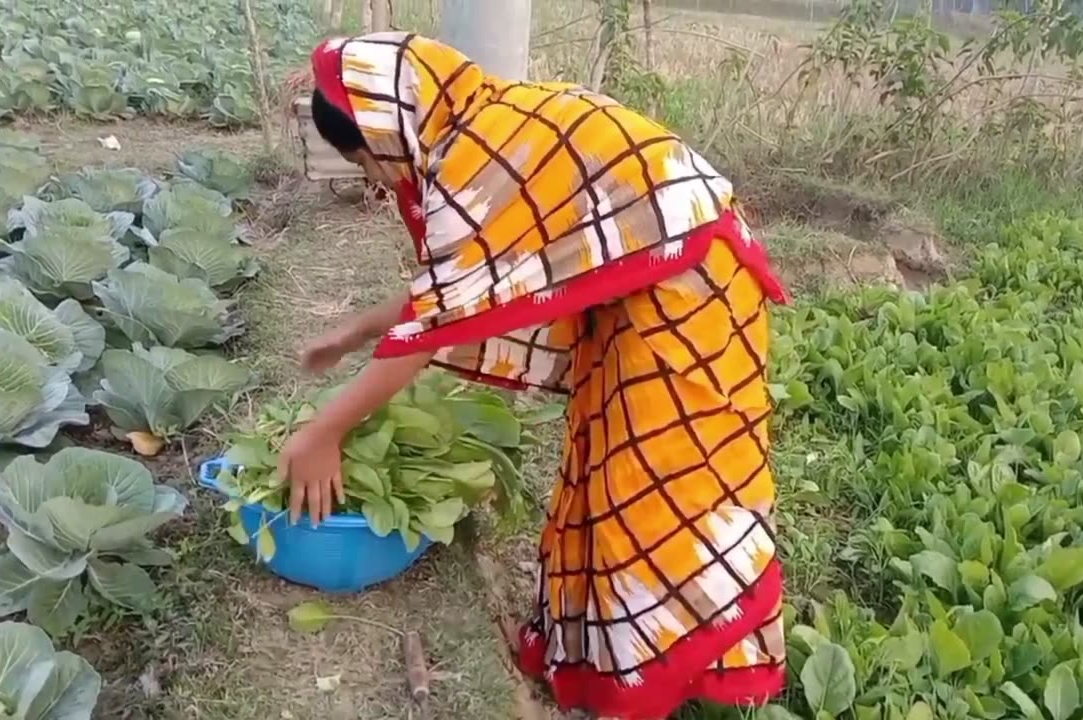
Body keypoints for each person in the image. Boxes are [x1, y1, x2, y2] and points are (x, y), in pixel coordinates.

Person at [286, 30, 790, 720]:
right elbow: (459, 291)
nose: (382, 183)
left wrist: (325, 430)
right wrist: (358, 331)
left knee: (657, 489)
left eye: (369, 165)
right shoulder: (482, 122)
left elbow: (435, 325)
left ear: (385, 131)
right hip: (652, 285)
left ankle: (666, 670)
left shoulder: (476, 158)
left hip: (691, 297)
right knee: (604, 465)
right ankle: (607, 660)